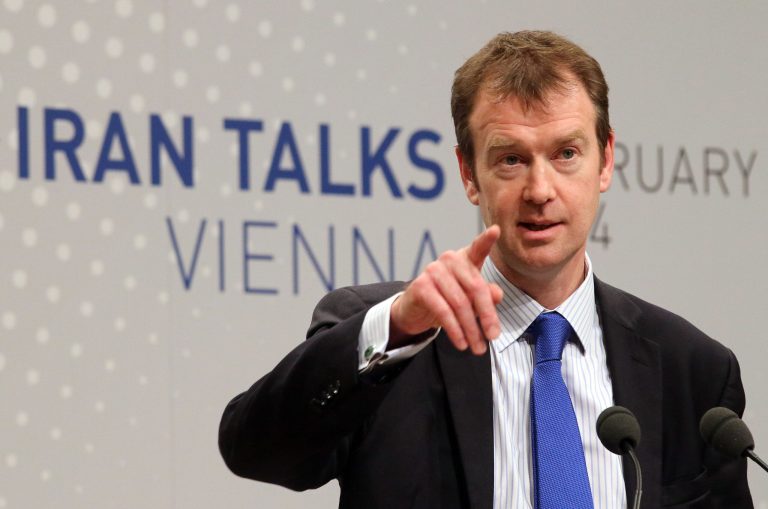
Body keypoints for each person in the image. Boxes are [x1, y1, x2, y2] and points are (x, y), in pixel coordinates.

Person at [219, 31, 752, 508]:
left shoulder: (693, 371)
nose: (541, 191)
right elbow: (257, 451)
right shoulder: (391, 338)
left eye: (566, 153)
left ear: (606, 160)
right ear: (469, 174)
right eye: (511, 160)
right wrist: (397, 329)